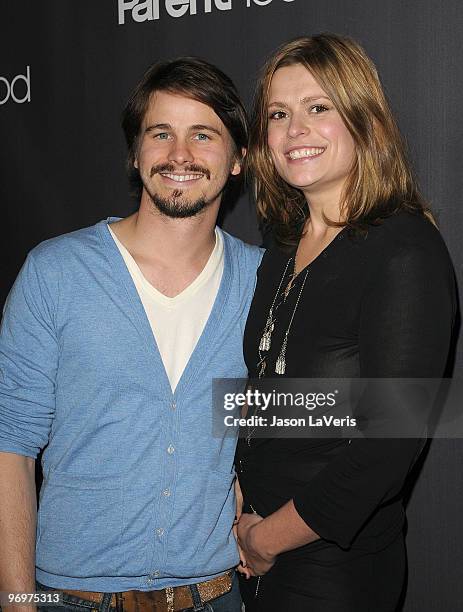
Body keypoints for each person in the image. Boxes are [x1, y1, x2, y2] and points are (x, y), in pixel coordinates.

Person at [0, 57, 262, 612]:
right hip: (70, 599)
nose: (179, 155)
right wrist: (17, 599)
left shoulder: (263, 283)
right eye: (160, 133)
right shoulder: (57, 272)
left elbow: (293, 413)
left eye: (203, 135)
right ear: (136, 153)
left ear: (239, 159)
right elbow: (11, 444)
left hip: (214, 597)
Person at [234, 34, 456, 611]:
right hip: (250, 553)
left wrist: (266, 538)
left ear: (363, 120)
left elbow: (388, 445)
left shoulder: (405, 249)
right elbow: (266, 392)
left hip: (335, 568)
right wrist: (237, 500)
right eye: (279, 114)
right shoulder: (283, 246)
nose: (294, 129)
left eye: (318, 107)